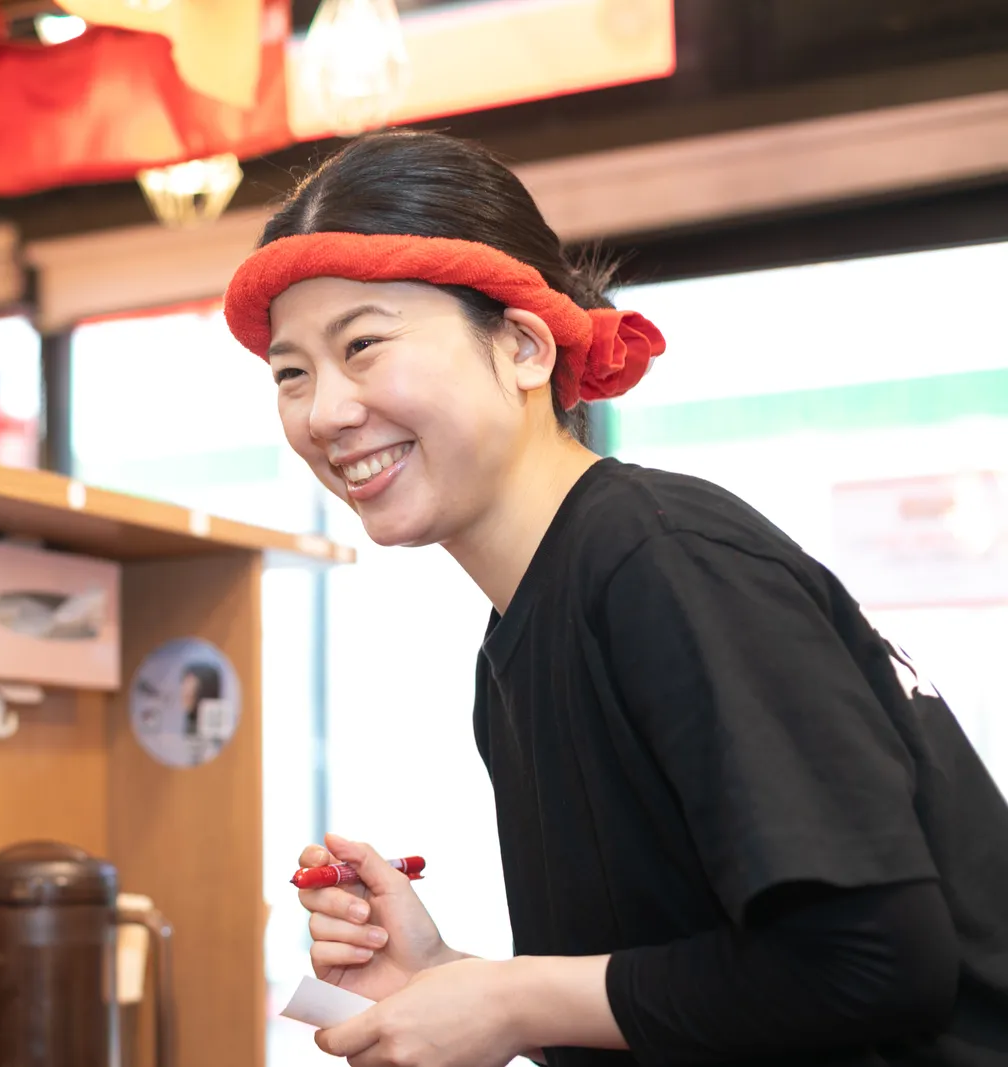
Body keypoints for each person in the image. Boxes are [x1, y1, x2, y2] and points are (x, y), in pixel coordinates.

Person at [221, 129, 1008, 1067]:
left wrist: (515, 997)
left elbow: (877, 959)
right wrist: (448, 980)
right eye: (292, 372)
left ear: (520, 346)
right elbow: (708, 997)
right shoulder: (525, 629)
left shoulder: (659, 559)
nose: (324, 412)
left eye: (364, 345)